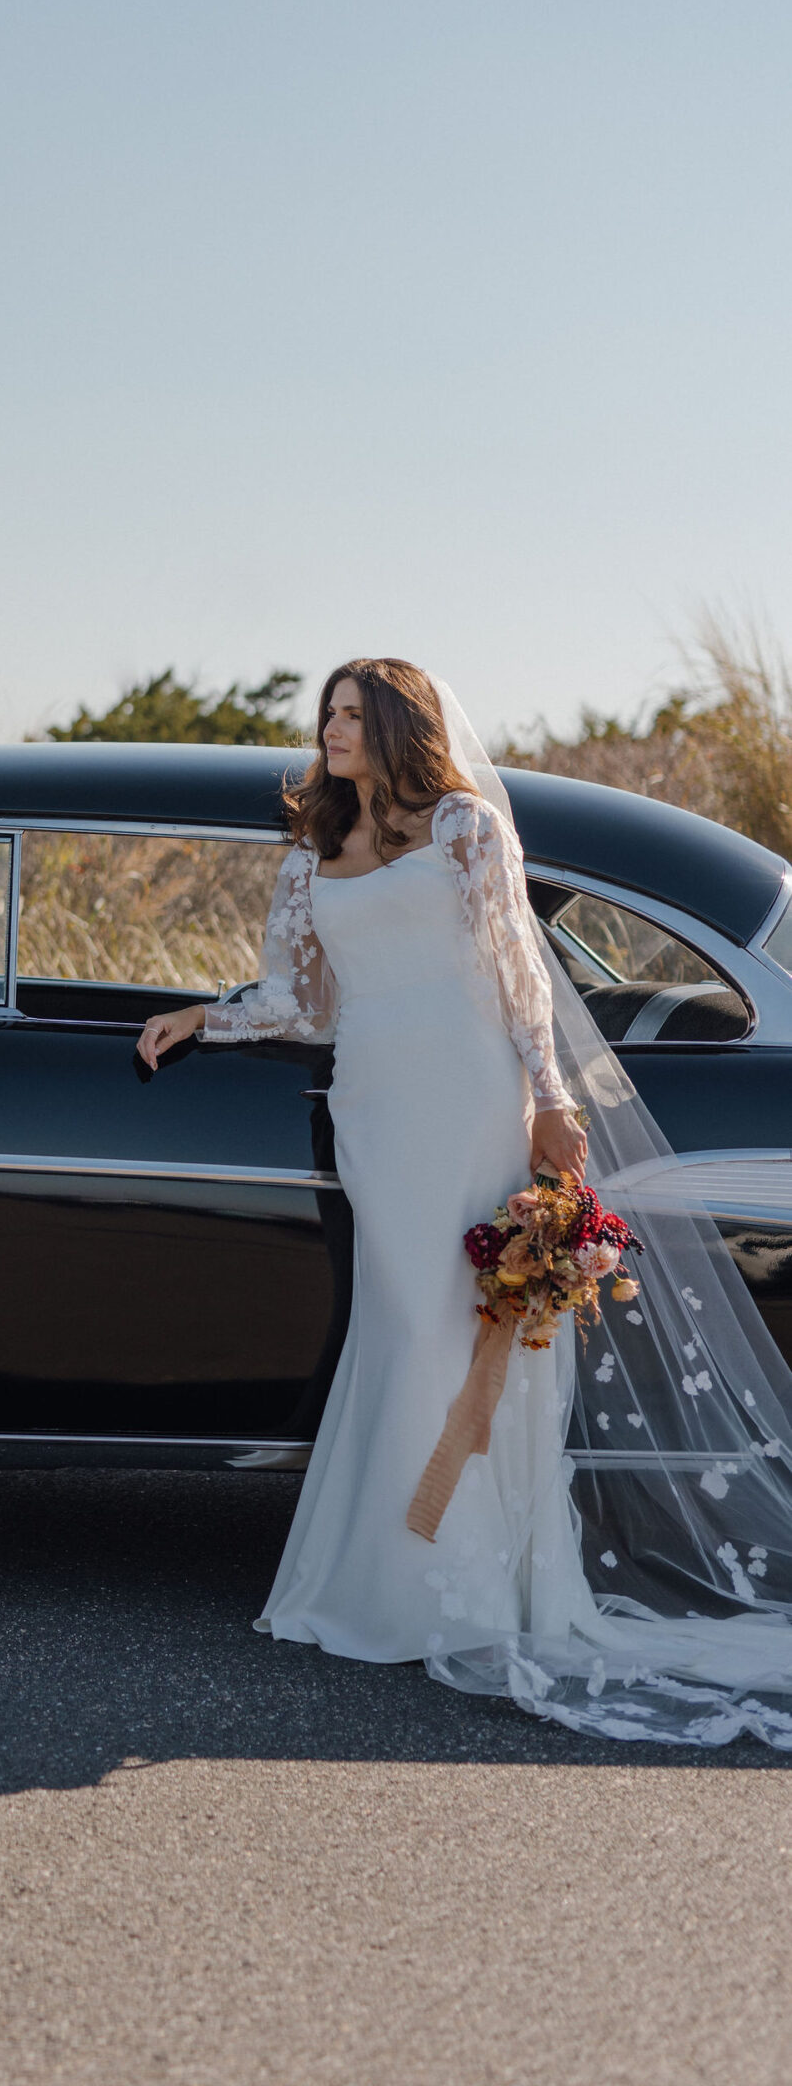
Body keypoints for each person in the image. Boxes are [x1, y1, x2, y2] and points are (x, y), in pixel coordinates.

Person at [138, 657, 792, 1747]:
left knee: (474, 1325)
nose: (333, 730)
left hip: (473, 1094)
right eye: (328, 714)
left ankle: (478, 1589)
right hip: (379, 1110)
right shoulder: (311, 853)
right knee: (402, 1322)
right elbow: (302, 1001)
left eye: (353, 714)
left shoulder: (466, 828)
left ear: (398, 725)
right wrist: (205, 1017)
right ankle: (385, 1580)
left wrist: (547, 1100)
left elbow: (519, 978)